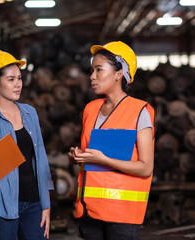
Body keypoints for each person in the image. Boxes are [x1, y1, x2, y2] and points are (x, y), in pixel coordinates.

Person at [68, 41, 155, 240]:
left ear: (119, 73)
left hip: (122, 215)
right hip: (89, 212)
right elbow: (91, 158)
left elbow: (145, 167)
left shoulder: (140, 111)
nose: (92, 76)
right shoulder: (91, 109)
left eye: (99, 70)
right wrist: (77, 157)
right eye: (92, 70)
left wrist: (103, 159)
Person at [0, 50, 54, 240]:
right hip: (0, 206)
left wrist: (46, 204)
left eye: (19, 78)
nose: (18, 84)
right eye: (10, 79)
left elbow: (41, 160)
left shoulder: (30, 113)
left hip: (33, 203)